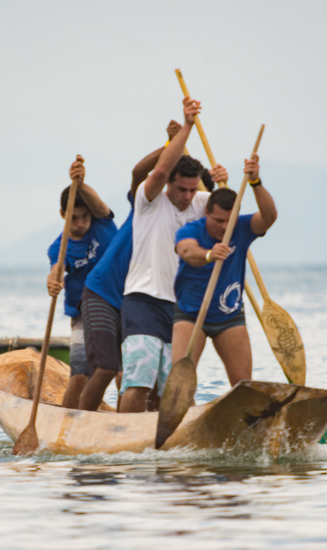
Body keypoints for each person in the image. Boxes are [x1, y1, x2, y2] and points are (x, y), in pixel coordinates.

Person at [118, 95, 228, 413]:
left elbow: (229, 215)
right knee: (140, 380)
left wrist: (225, 184)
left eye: (194, 190)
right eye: (182, 189)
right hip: (143, 299)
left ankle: (178, 436)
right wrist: (187, 127)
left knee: (177, 388)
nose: (188, 196)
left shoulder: (201, 202)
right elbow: (159, 169)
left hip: (182, 308)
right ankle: (122, 434)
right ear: (168, 184)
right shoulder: (149, 199)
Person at [77, 120, 182, 411]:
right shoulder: (146, 205)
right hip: (103, 293)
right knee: (107, 368)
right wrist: (169, 145)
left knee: (135, 374)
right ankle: (79, 423)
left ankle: (136, 426)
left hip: (137, 302)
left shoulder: (185, 223)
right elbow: (139, 173)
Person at [172, 155, 277, 389]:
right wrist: (209, 254)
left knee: (243, 385)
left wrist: (256, 182)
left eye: (228, 221)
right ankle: (188, 411)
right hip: (191, 314)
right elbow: (187, 251)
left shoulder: (242, 227)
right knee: (181, 385)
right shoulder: (191, 230)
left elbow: (270, 217)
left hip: (229, 315)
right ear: (206, 213)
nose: (223, 227)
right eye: (218, 220)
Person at [46, 156, 117, 408]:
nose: (80, 224)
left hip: (119, 306)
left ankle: (127, 420)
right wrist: (53, 282)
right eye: (73, 217)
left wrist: (81, 182)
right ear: (62, 214)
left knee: (122, 374)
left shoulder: (102, 224)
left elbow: (98, 205)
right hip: (82, 314)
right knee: (79, 376)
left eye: (85, 217)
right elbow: (57, 269)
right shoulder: (59, 246)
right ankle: (66, 422)